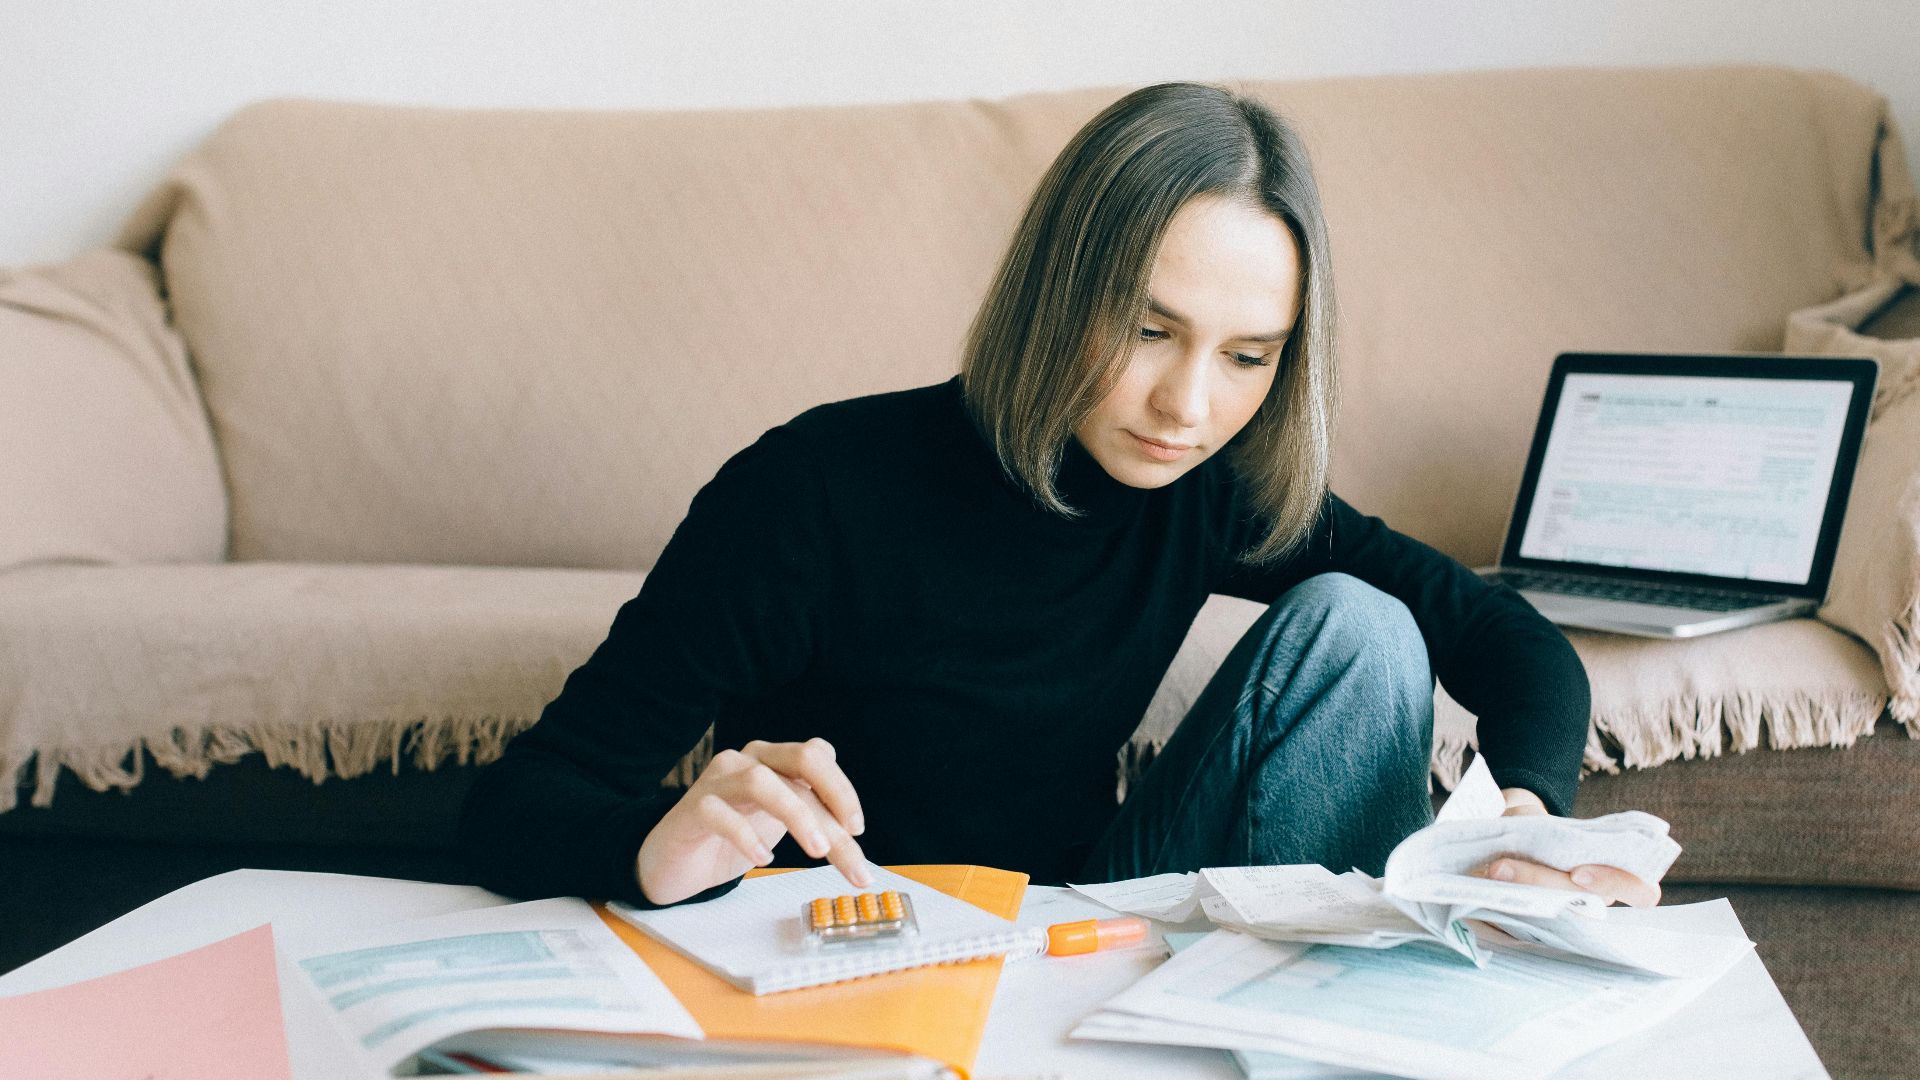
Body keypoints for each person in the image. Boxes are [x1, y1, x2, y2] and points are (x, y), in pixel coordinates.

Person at [458, 82, 1662, 912]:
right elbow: (522, 803)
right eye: (1147, 329)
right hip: (846, 944)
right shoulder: (808, 493)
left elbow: (1508, 642)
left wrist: (1521, 818)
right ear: (1056, 288)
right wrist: (658, 846)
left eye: (1247, 357)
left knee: (1363, 626)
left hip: (1090, 921)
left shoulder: (1211, 486)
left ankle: (1332, 1035)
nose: (1187, 406)